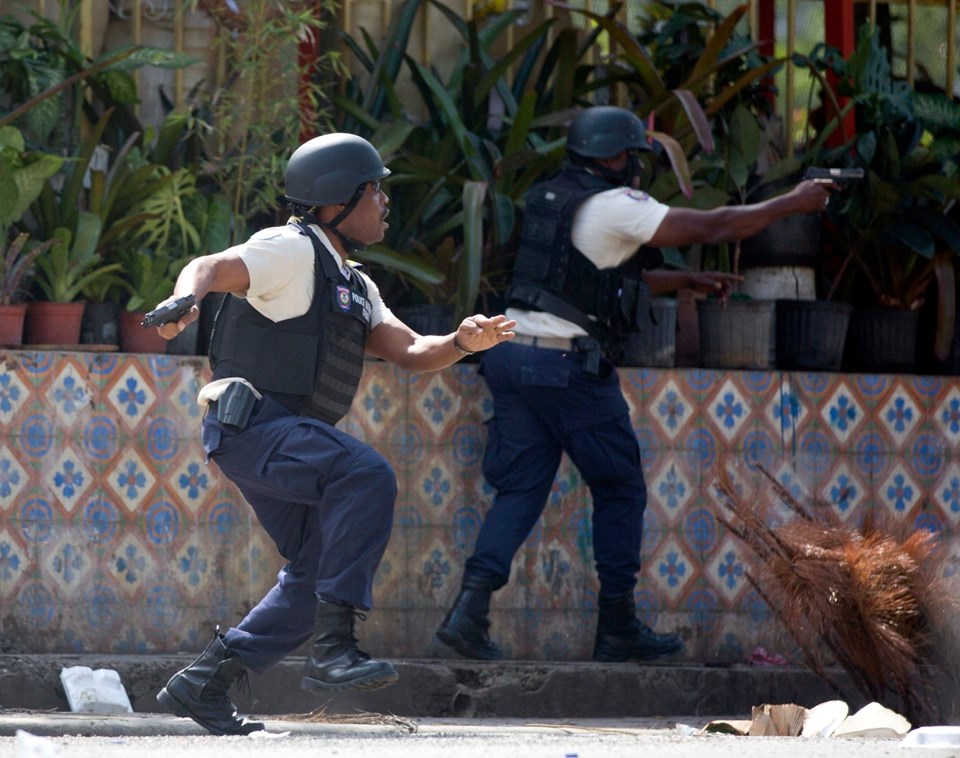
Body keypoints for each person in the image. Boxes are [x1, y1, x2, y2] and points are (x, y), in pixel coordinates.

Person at [435, 105, 837, 663]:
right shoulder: (618, 205)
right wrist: (793, 203)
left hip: (510, 357)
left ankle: (467, 612)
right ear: (614, 157)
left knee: (522, 489)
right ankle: (617, 625)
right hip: (563, 367)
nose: (635, 169)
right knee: (620, 487)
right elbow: (715, 224)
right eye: (631, 157)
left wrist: (682, 280)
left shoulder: (556, 197)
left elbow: (590, 279)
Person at [150, 132, 516, 735]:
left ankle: (206, 681)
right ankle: (334, 647)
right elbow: (213, 266)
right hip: (254, 428)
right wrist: (185, 298)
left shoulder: (355, 284)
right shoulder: (289, 249)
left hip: (285, 440)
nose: (384, 202)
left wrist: (460, 341)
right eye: (375, 191)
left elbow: (411, 351)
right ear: (336, 200)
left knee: (315, 572)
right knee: (366, 471)